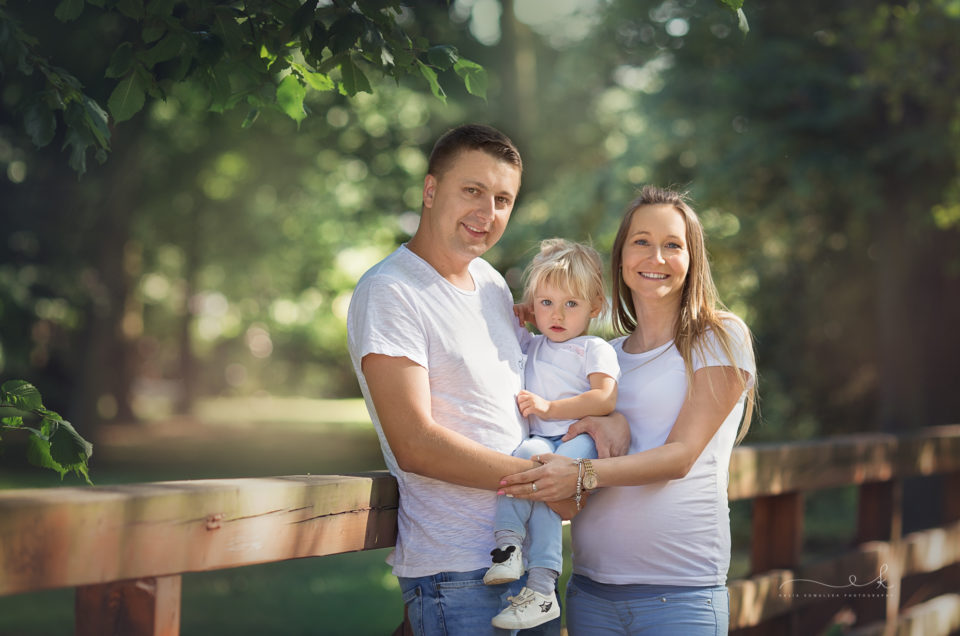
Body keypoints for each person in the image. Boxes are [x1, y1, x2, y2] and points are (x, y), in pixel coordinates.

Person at [347, 125, 629, 635]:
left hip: (529, 573)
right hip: (457, 570)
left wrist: (603, 421)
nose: (488, 212)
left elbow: (544, 376)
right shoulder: (392, 290)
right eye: (472, 190)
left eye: (503, 199)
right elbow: (415, 445)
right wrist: (545, 483)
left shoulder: (493, 286)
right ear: (431, 190)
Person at [498, 185, 757, 635]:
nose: (655, 257)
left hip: (679, 593)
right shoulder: (602, 360)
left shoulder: (718, 336)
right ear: (620, 258)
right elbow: (566, 494)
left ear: (692, 259)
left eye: (672, 245)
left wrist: (581, 471)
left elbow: (679, 456)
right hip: (591, 591)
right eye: (641, 242)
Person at [485, 239, 620, 630]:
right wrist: (530, 308)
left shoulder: (593, 348)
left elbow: (605, 398)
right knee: (522, 457)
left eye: (571, 304)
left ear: (594, 307)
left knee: (545, 474)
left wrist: (549, 409)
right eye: (547, 303)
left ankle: (543, 588)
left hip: (578, 439)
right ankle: (508, 546)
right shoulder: (533, 344)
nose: (557, 314)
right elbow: (515, 316)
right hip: (543, 442)